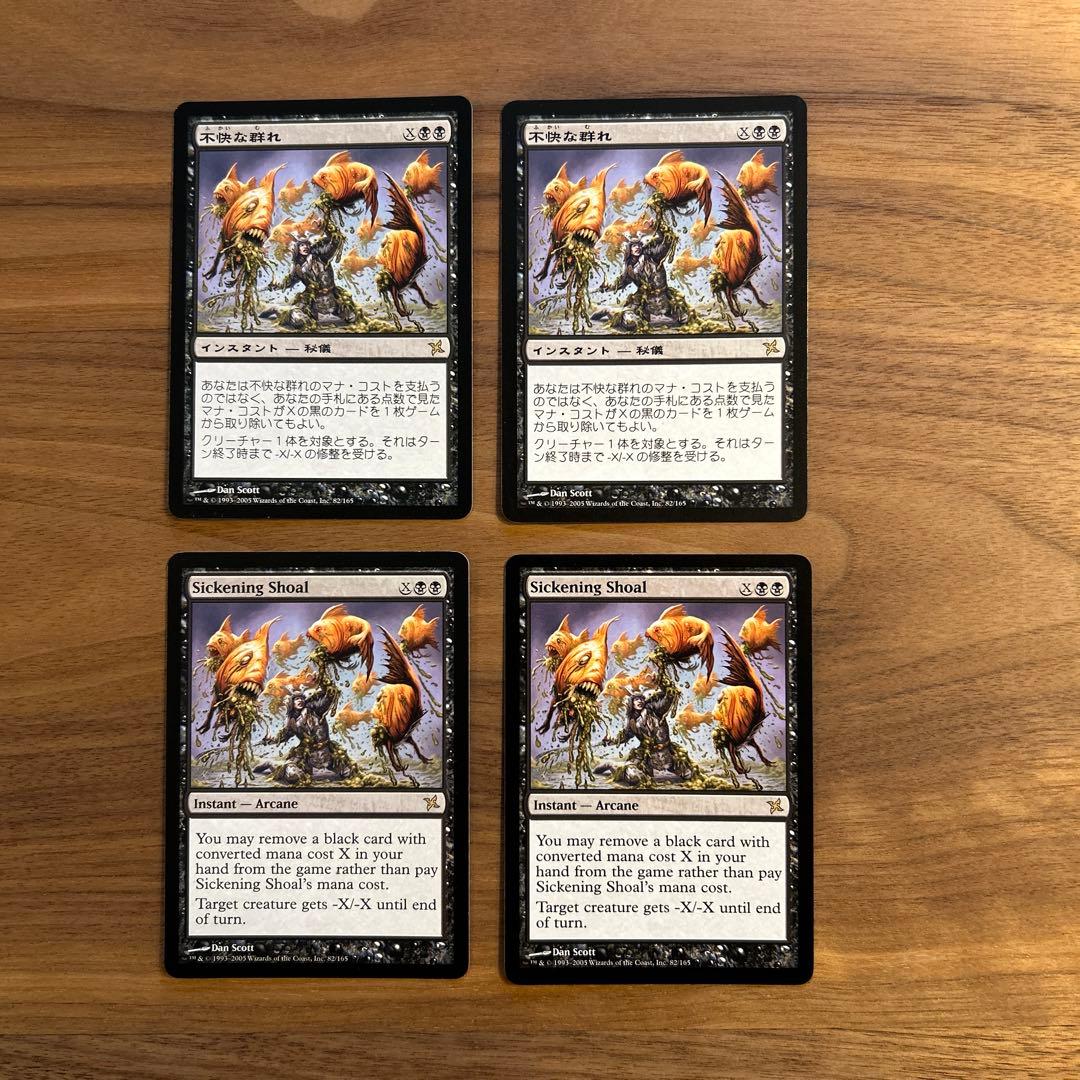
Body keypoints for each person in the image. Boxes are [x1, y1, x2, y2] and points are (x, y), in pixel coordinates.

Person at [601, 232, 688, 331]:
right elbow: (621, 282)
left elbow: (665, 244)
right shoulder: (630, 269)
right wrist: (607, 287)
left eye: (639, 245)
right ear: (629, 249)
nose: (637, 247)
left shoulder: (653, 257)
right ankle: (608, 310)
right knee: (630, 323)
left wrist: (660, 229)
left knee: (685, 318)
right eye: (634, 246)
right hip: (645, 302)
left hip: (664, 298)